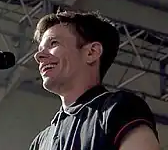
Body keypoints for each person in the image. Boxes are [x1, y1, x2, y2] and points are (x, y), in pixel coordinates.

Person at [30, 10, 160, 150]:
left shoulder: (119, 108)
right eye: (40, 49)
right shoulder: (40, 142)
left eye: (54, 43)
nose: (39, 56)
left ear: (92, 52)